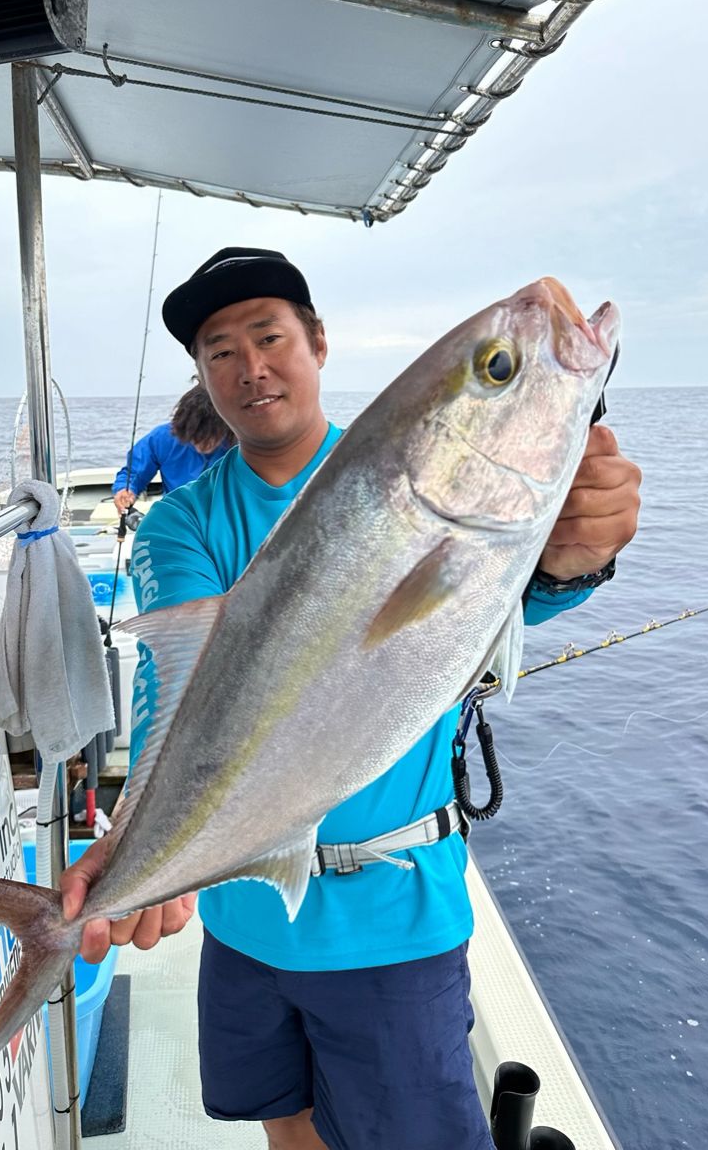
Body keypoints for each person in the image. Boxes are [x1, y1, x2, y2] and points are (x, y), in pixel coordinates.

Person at [64, 248, 642, 1150]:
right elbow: (166, 689)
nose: (249, 367)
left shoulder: (410, 483)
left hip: (393, 919)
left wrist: (577, 559)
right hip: (245, 915)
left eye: (269, 336)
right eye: (219, 350)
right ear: (202, 377)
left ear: (318, 344)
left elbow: (511, 597)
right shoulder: (183, 521)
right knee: (283, 1122)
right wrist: (134, 840)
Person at [112, 382, 233, 511]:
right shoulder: (162, 438)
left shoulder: (243, 442)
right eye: (196, 436)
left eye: (210, 436)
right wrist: (126, 490)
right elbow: (134, 472)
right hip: (177, 515)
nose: (203, 445)